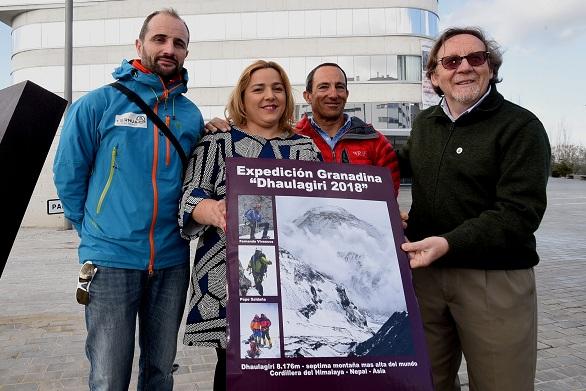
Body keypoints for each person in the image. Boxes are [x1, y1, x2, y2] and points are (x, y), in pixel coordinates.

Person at [53, 8, 204, 390]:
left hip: (171, 261)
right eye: (160, 39)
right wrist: (95, 231)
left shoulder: (190, 115)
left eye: (178, 43)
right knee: (108, 376)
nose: (169, 48)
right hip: (110, 262)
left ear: (186, 53)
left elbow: (196, 180)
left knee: (159, 373)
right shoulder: (99, 104)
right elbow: (68, 172)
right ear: (139, 44)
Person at [398, 27, 550, 391]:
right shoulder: (424, 124)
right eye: (451, 61)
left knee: (502, 384)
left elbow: (519, 212)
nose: (464, 67)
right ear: (435, 76)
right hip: (426, 278)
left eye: (476, 58)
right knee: (425, 382)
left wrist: (449, 242)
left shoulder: (520, 126)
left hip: (493, 280)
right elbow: (387, 168)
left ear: (491, 68)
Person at [179, 60, 321, 391]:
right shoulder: (217, 142)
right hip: (228, 278)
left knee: (290, 368)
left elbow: (317, 208)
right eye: (258, 89)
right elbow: (189, 197)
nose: (269, 96)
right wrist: (212, 210)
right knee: (233, 371)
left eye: (277, 88)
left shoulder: (304, 148)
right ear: (242, 97)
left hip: (290, 276)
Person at [205, 62, 401, 196]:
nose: (333, 94)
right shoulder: (294, 140)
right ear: (307, 96)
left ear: (347, 94)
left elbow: (388, 196)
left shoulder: (375, 141)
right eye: (324, 87)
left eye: (339, 87)